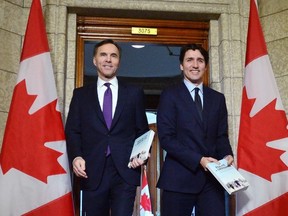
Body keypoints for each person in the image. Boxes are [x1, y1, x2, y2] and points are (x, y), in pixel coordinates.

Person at [65, 39, 149, 216]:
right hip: (92, 171)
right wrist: (76, 157)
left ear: (119, 62)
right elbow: (73, 130)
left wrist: (141, 155)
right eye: (103, 55)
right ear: (94, 60)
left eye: (113, 56)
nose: (108, 59)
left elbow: (142, 130)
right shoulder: (80, 95)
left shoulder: (134, 93)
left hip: (125, 171)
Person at [156, 44, 234, 216]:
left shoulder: (217, 99)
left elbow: (221, 135)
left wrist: (228, 155)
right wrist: (199, 159)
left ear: (205, 66)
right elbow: (167, 138)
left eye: (200, 60)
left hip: (212, 181)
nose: (195, 65)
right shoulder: (169, 95)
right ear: (181, 65)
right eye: (189, 60)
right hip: (178, 179)